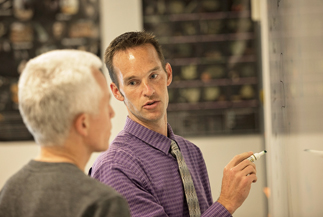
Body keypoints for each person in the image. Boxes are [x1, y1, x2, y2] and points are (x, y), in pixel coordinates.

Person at [90, 32, 257, 217]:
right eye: (133, 82)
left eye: (153, 76)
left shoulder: (191, 152)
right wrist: (226, 203)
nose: (148, 90)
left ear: (168, 74)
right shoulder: (116, 167)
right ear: (117, 91)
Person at [0, 50, 130, 217]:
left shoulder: (9, 192)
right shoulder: (103, 203)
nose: (112, 113)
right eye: (106, 104)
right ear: (83, 123)